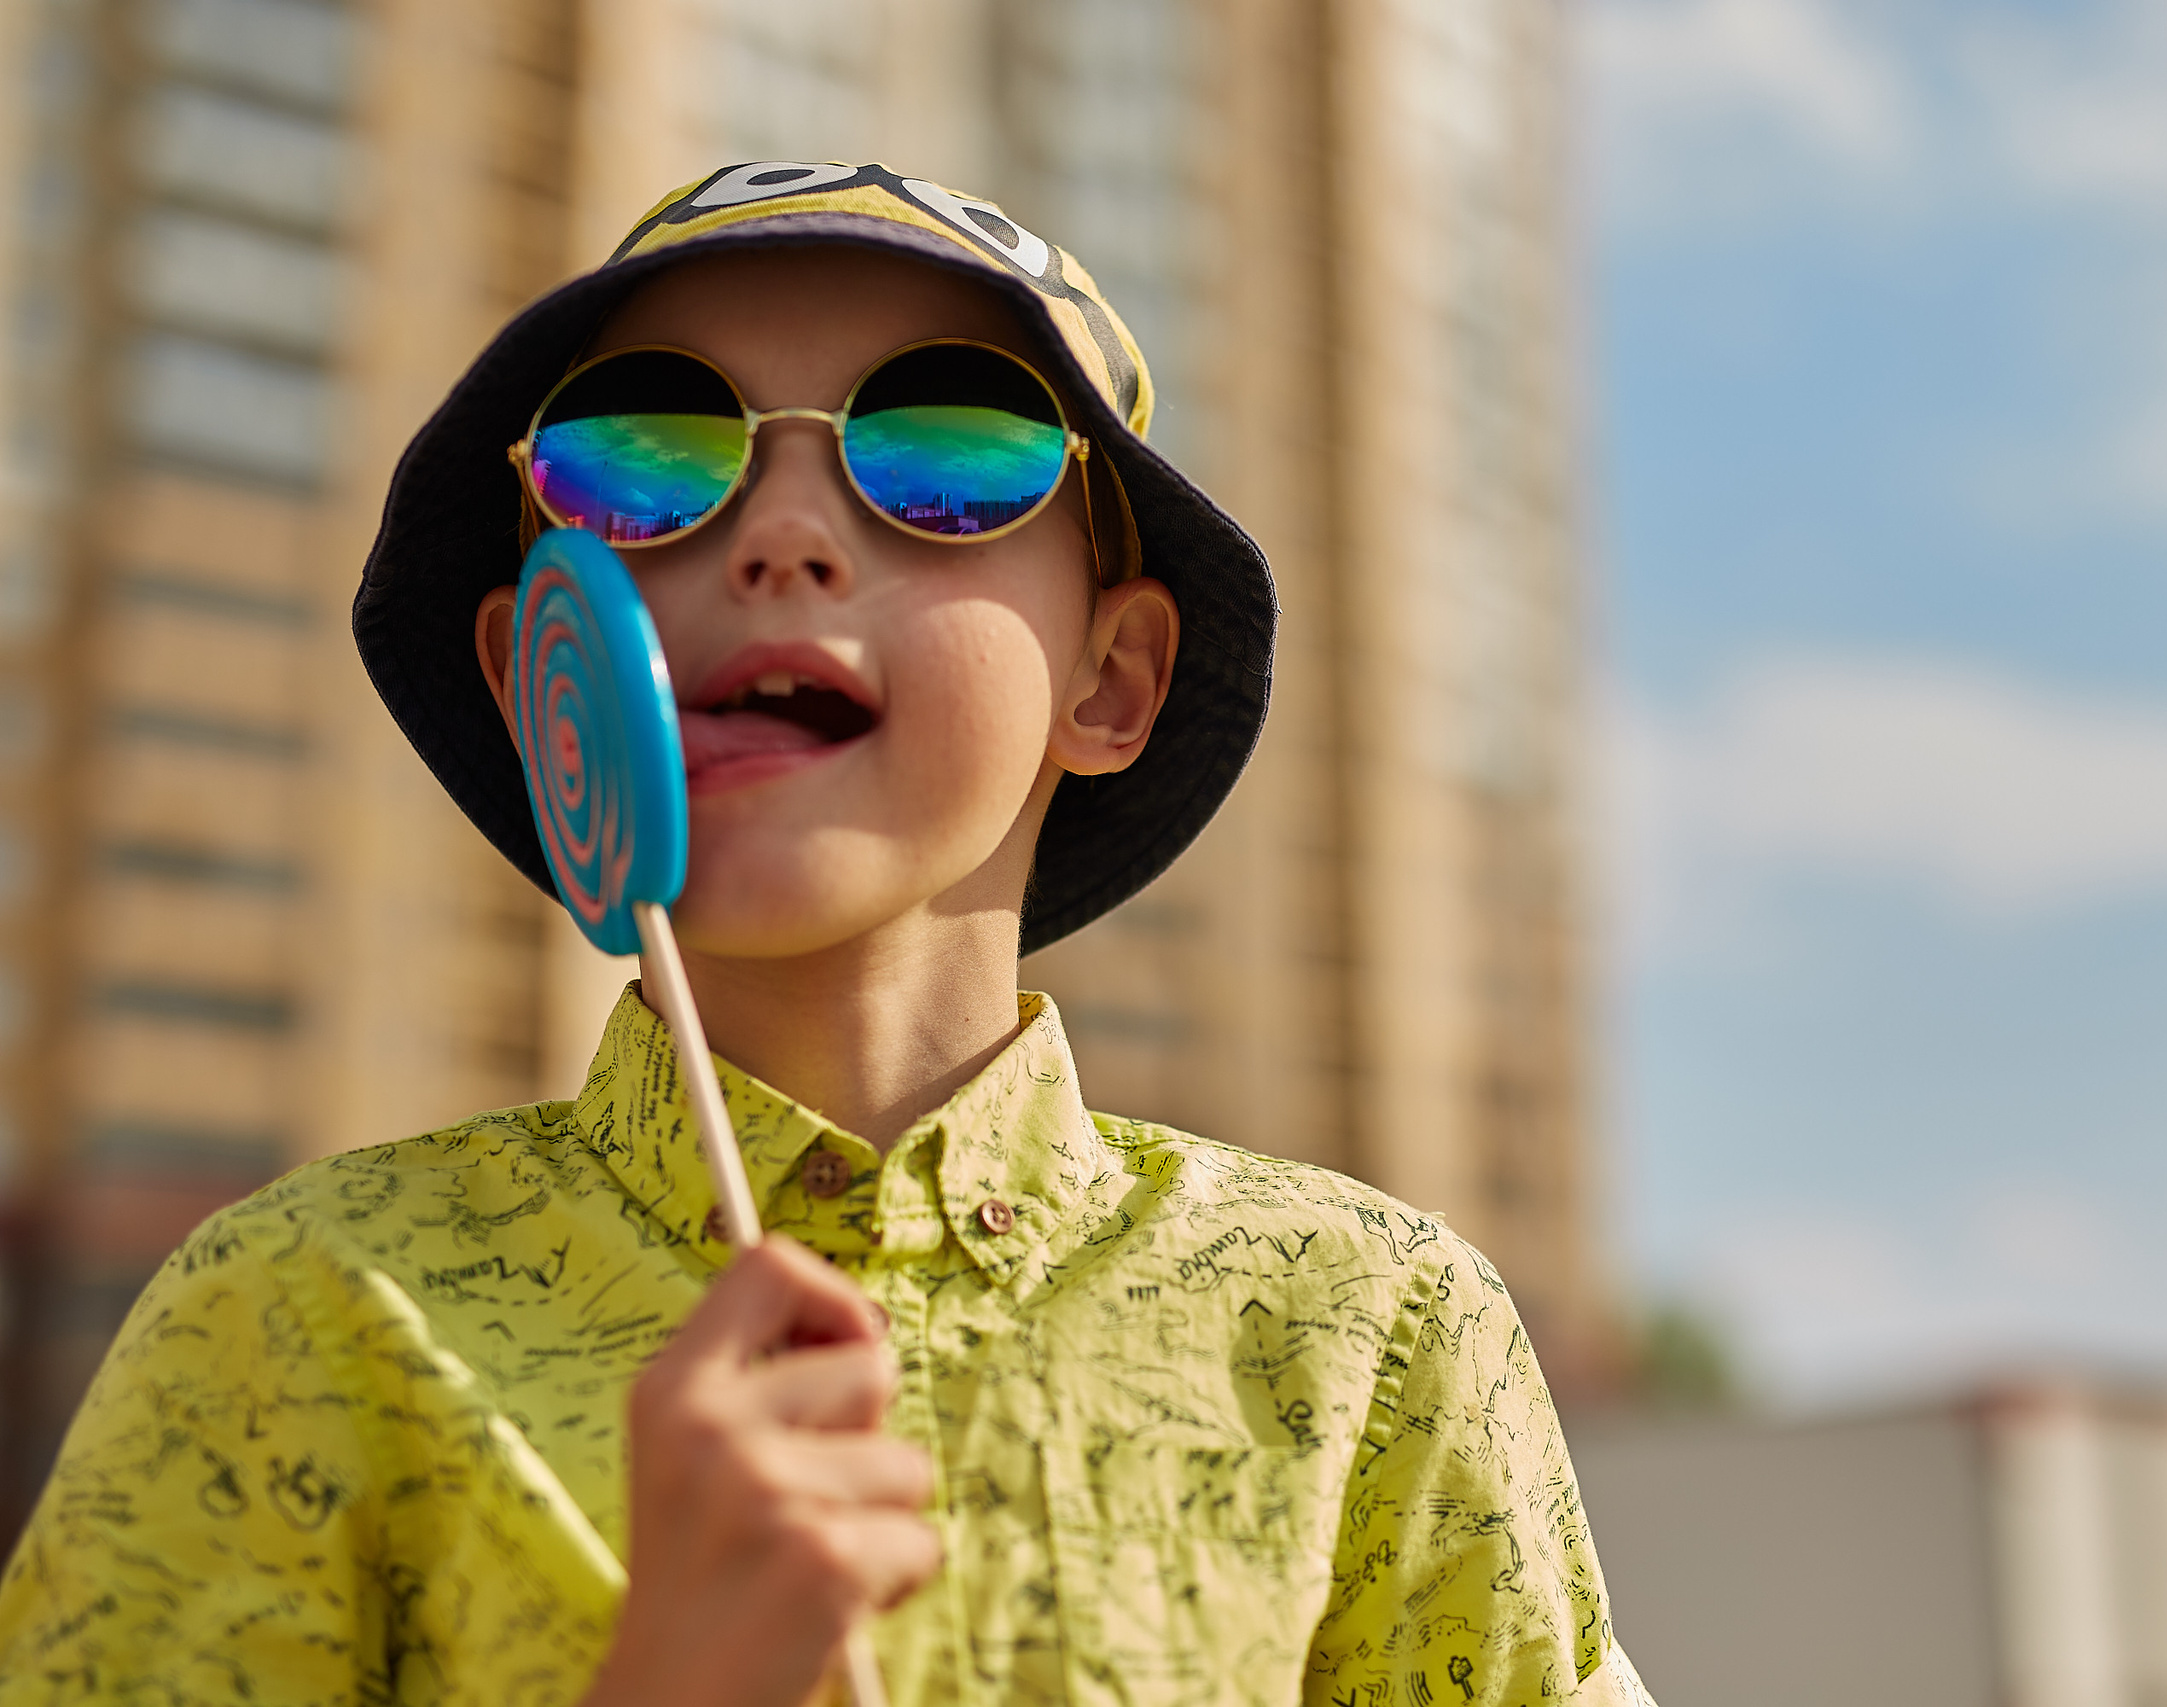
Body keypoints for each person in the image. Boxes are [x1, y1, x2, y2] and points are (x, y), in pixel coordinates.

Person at [0, 162, 1652, 1707]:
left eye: (948, 451)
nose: (781, 539)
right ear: (531, 682)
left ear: (1112, 678)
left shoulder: (1370, 1334)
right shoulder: (292, 1315)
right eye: (640, 456)